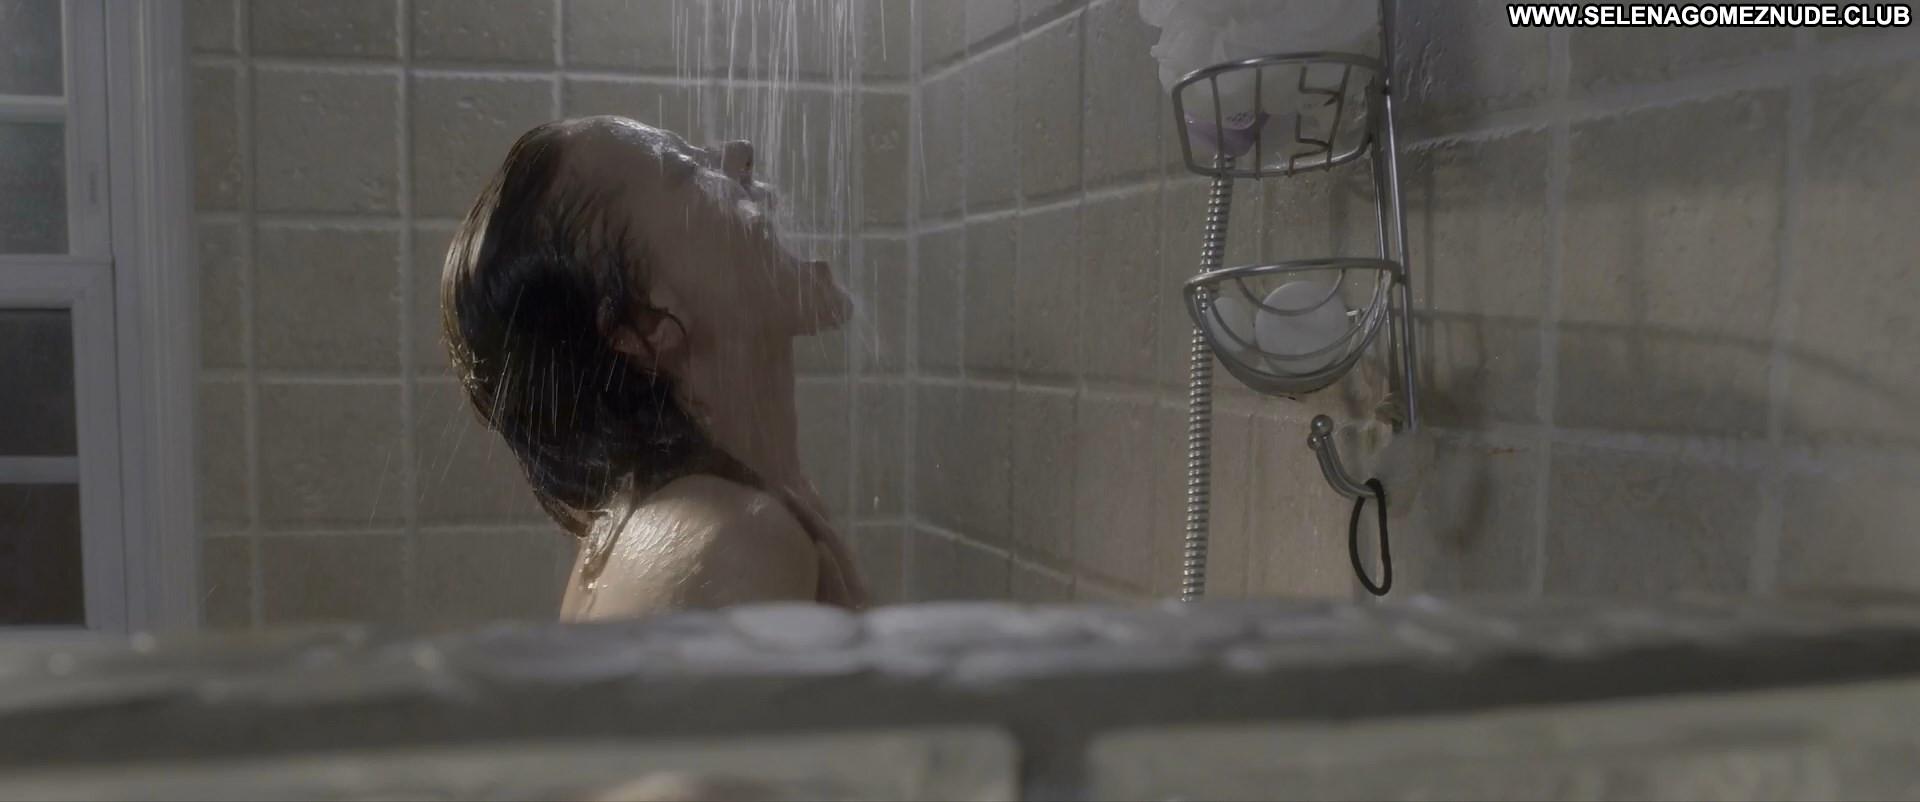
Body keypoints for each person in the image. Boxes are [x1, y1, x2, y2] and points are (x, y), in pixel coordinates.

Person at [441, 116, 866, 619]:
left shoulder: (665, 517)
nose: (741, 153)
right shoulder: (734, 540)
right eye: (686, 170)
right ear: (645, 322)